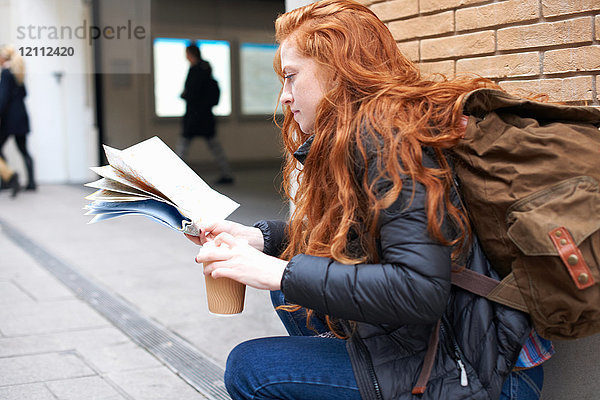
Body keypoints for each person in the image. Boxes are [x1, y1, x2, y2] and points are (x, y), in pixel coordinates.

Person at [186, 1, 550, 399]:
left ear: (337, 71)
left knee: (251, 366)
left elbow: (419, 288)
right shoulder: (372, 132)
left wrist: (278, 272)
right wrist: (261, 240)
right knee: (292, 275)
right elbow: (368, 238)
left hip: (480, 370)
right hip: (449, 341)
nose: (285, 97)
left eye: (291, 77)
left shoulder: (391, 142)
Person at [177, 42, 234, 185]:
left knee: (183, 146)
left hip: (194, 116)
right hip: (206, 116)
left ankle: (174, 176)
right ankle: (227, 173)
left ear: (190, 54)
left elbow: (191, 93)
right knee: (214, 146)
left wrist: (184, 95)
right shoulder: (207, 71)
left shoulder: (195, 70)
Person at [0, 45, 36, 191]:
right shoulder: (18, 72)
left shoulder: (7, 73)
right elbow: (24, 94)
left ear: (4, 58)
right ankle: (31, 183)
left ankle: (8, 179)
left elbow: (3, 98)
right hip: (21, 117)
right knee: (24, 150)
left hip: (9, 119)